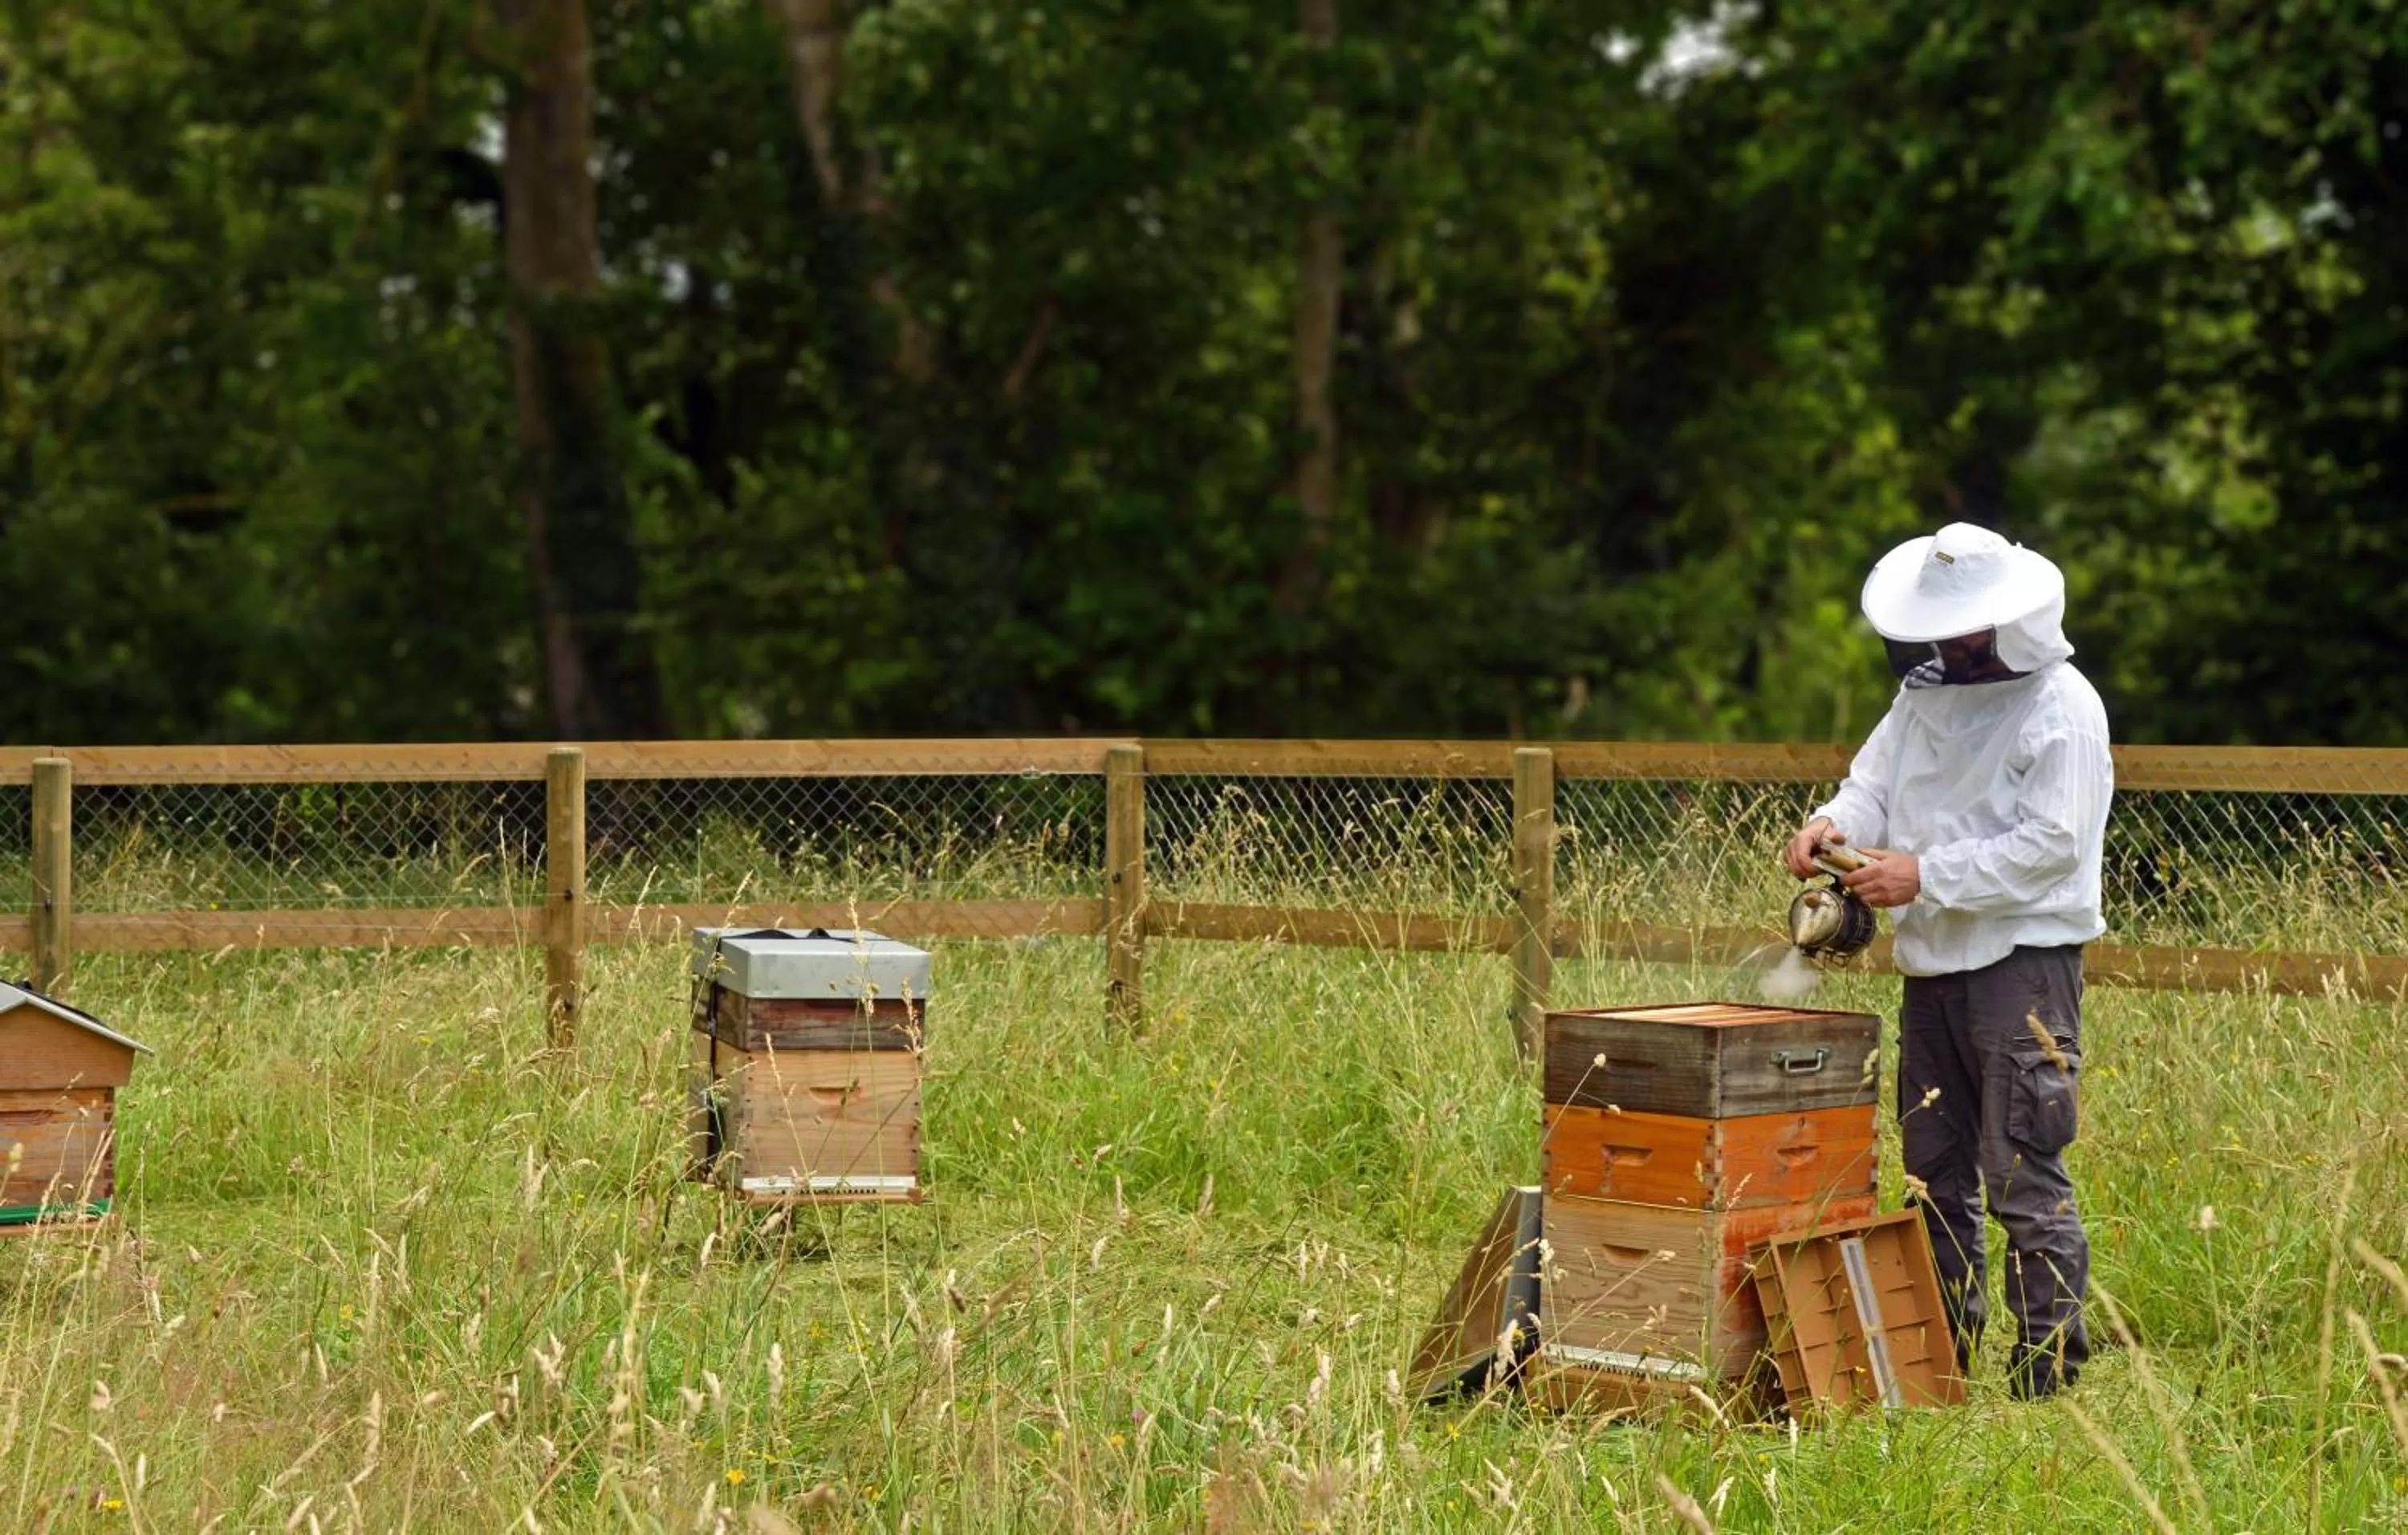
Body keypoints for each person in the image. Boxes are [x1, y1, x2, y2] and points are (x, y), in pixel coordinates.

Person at [1782, 522, 2113, 1399]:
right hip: (1934, 971)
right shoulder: (1922, 697)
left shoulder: (2064, 707)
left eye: (1964, 628)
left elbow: (2051, 844)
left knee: (2021, 1175)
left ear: (2012, 620)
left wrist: (1923, 874)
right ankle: (1940, 1366)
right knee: (1932, 1173)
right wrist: (1830, 828)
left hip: (2023, 965)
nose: (1946, 644)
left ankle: (2048, 1383)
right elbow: (1874, 788)